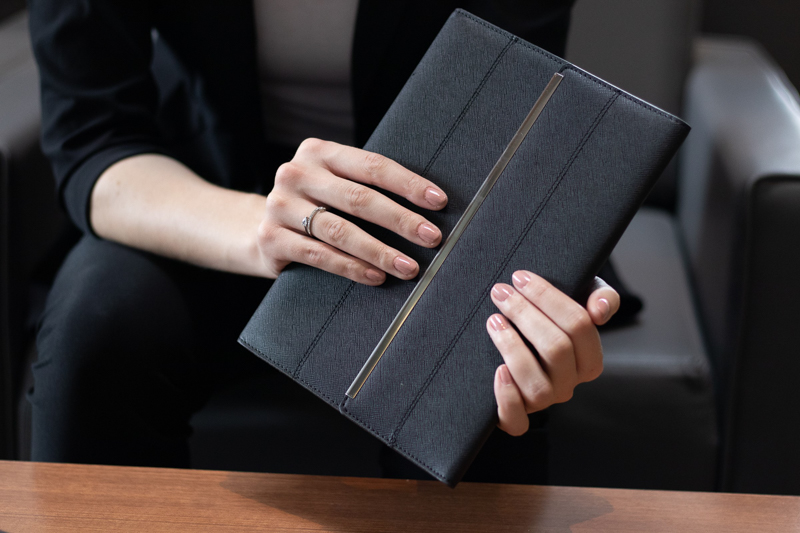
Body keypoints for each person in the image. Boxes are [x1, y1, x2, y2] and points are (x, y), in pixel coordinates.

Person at [27, 0, 619, 479]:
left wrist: (543, 260)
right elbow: (93, 138)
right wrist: (266, 231)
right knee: (96, 332)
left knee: (486, 385)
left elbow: (522, 113)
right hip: (205, 197)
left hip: (442, 220)